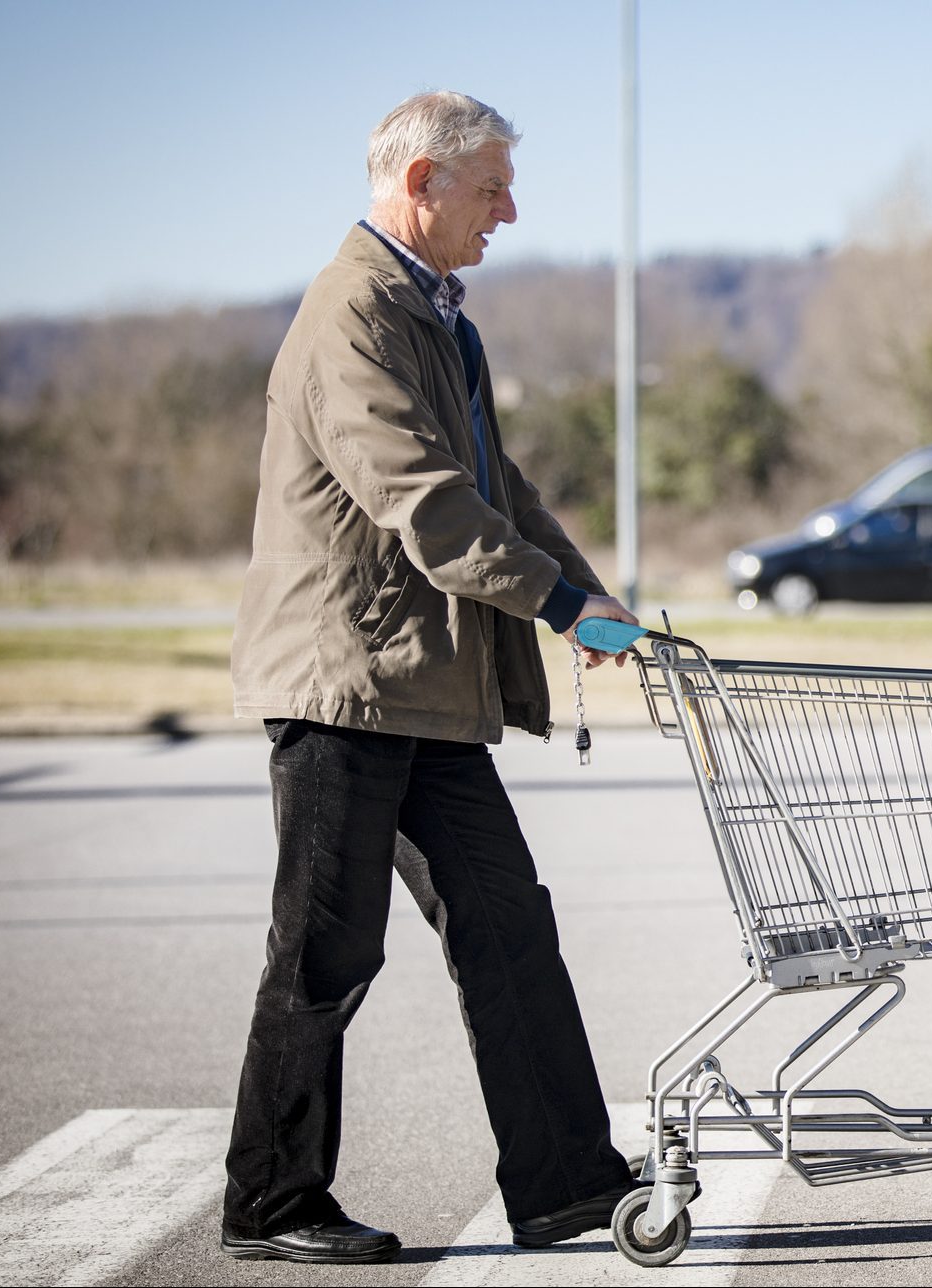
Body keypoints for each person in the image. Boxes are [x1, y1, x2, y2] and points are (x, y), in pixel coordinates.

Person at [220, 90, 641, 1265]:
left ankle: (564, 1181)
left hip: (428, 689)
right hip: (342, 686)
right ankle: (270, 1201)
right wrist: (553, 605)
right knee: (325, 947)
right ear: (422, 185)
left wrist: (592, 598)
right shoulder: (352, 315)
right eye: (491, 186)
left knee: (509, 925)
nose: (510, 209)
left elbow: (502, 490)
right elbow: (427, 505)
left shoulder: (438, 318)